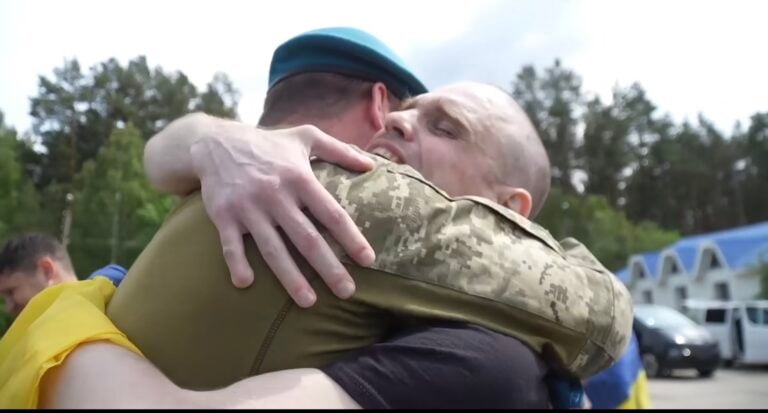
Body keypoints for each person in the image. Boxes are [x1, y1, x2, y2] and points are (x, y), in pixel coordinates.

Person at [1, 28, 628, 409]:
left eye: (445, 127)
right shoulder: (345, 203)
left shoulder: (477, 353)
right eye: (406, 108)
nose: (399, 120)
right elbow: (598, 316)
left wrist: (68, 332)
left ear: (510, 214)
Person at [0, 233, 126, 317]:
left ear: (47, 271)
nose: (9, 308)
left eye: (11, 292)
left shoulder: (110, 291)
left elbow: (115, 275)